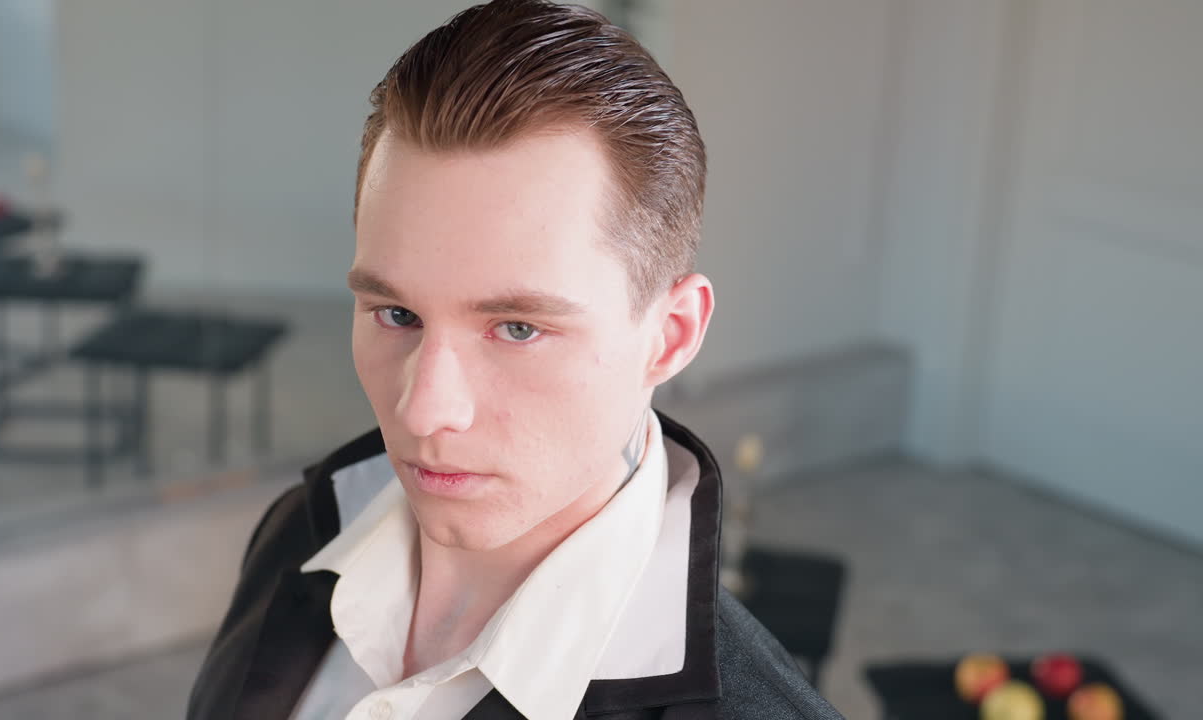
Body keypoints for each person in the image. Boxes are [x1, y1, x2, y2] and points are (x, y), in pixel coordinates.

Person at [188, 1, 844, 718]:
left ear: (672, 335)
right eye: (397, 314)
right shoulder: (299, 531)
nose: (423, 409)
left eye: (518, 328)